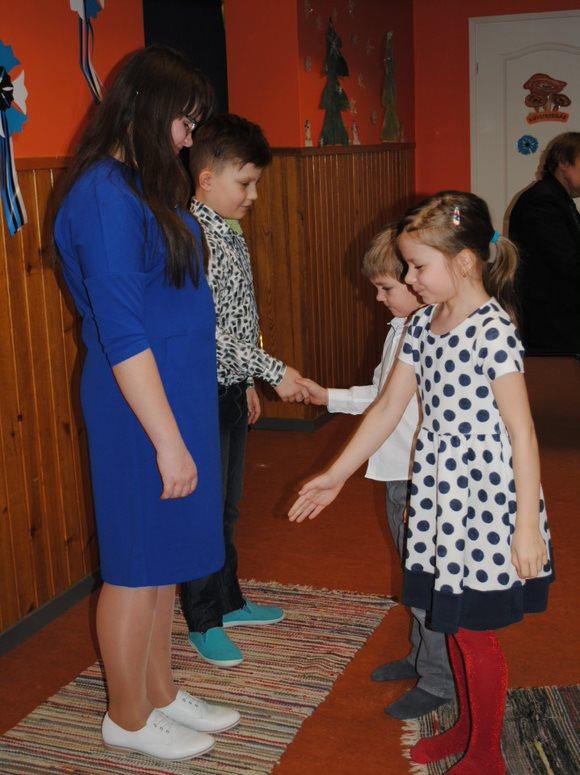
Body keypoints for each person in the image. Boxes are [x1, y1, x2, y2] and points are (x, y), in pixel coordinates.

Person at [289, 191, 553, 773]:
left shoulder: (493, 331)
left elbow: (523, 432)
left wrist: (527, 528)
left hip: (486, 500)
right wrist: (335, 474)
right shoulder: (419, 326)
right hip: (438, 494)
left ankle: (486, 751)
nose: (409, 278)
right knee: (448, 619)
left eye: (417, 266)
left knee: (475, 633)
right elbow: (388, 408)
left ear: (464, 262)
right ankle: (465, 724)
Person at [53, 46, 241, 762]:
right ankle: (126, 715)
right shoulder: (102, 194)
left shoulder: (142, 187)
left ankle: (158, 690)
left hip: (175, 395)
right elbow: (124, 333)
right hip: (138, 407)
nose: (189, 139)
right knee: (135, 564)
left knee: (164, 557)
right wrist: (166, 440)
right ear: (148, 111)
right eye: (184, 122)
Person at [296, 226, 455, 719]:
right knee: (414, 579)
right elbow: (384, 398)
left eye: (387, 288)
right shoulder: (402, 329)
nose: (380, 297)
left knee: (429, 584)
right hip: (397, 476)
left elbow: (421, 416)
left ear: (419, 280)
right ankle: (422, 657)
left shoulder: (436, 334)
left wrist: (426, 490)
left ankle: (441, 678)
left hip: (422, 479)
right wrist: (329, 396)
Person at [181, 114, 309, 667]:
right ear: (206, 178)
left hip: (231, 385)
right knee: (205, 510)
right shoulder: (194, 237)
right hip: (200, 392)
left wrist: (250, 379)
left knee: (228, 506)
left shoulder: (228, 229)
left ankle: (228, 600)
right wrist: (273, 370)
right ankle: (202, 619)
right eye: (246, 183)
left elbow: (241, 318)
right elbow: (207, 329)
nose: (253, 195)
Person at [509, 131, 580, 355]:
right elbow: (568, 261)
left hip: (557, 318)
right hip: (550, 322)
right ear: (563, 162)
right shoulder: (542, 200)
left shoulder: (557, 198)